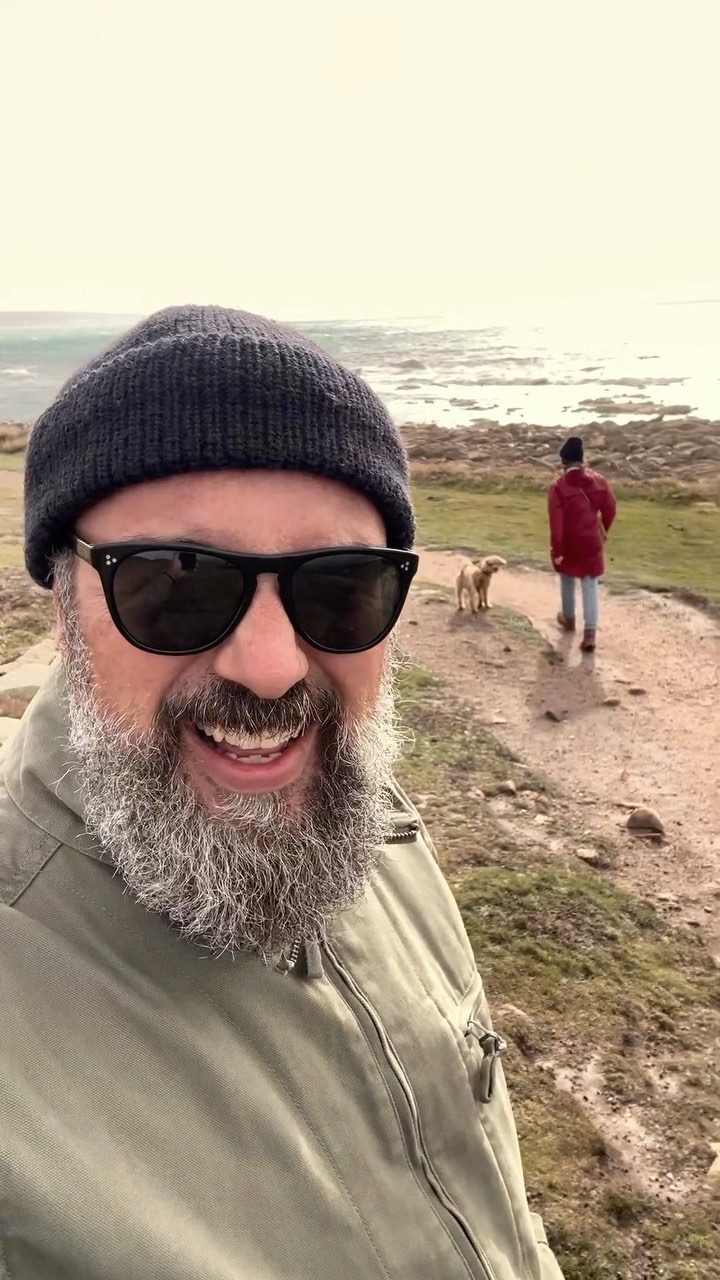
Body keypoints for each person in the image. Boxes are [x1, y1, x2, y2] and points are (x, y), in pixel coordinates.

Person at [1, 305, 564, 1280]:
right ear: (63, 603)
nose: (267, 665)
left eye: (340, 586)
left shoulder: (375, 822)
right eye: (175, 584)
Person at [547, 436, 617, 652]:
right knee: (590, 585)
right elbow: (610, 508)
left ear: (563, 462)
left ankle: (568, 619)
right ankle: (590, 634)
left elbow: (556, 524)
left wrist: (557, 549)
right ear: (582, 459)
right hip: (591, 540)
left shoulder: (558, 487)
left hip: (569, 541)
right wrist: (602, 528)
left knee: (567, 579)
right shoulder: (599, 481)